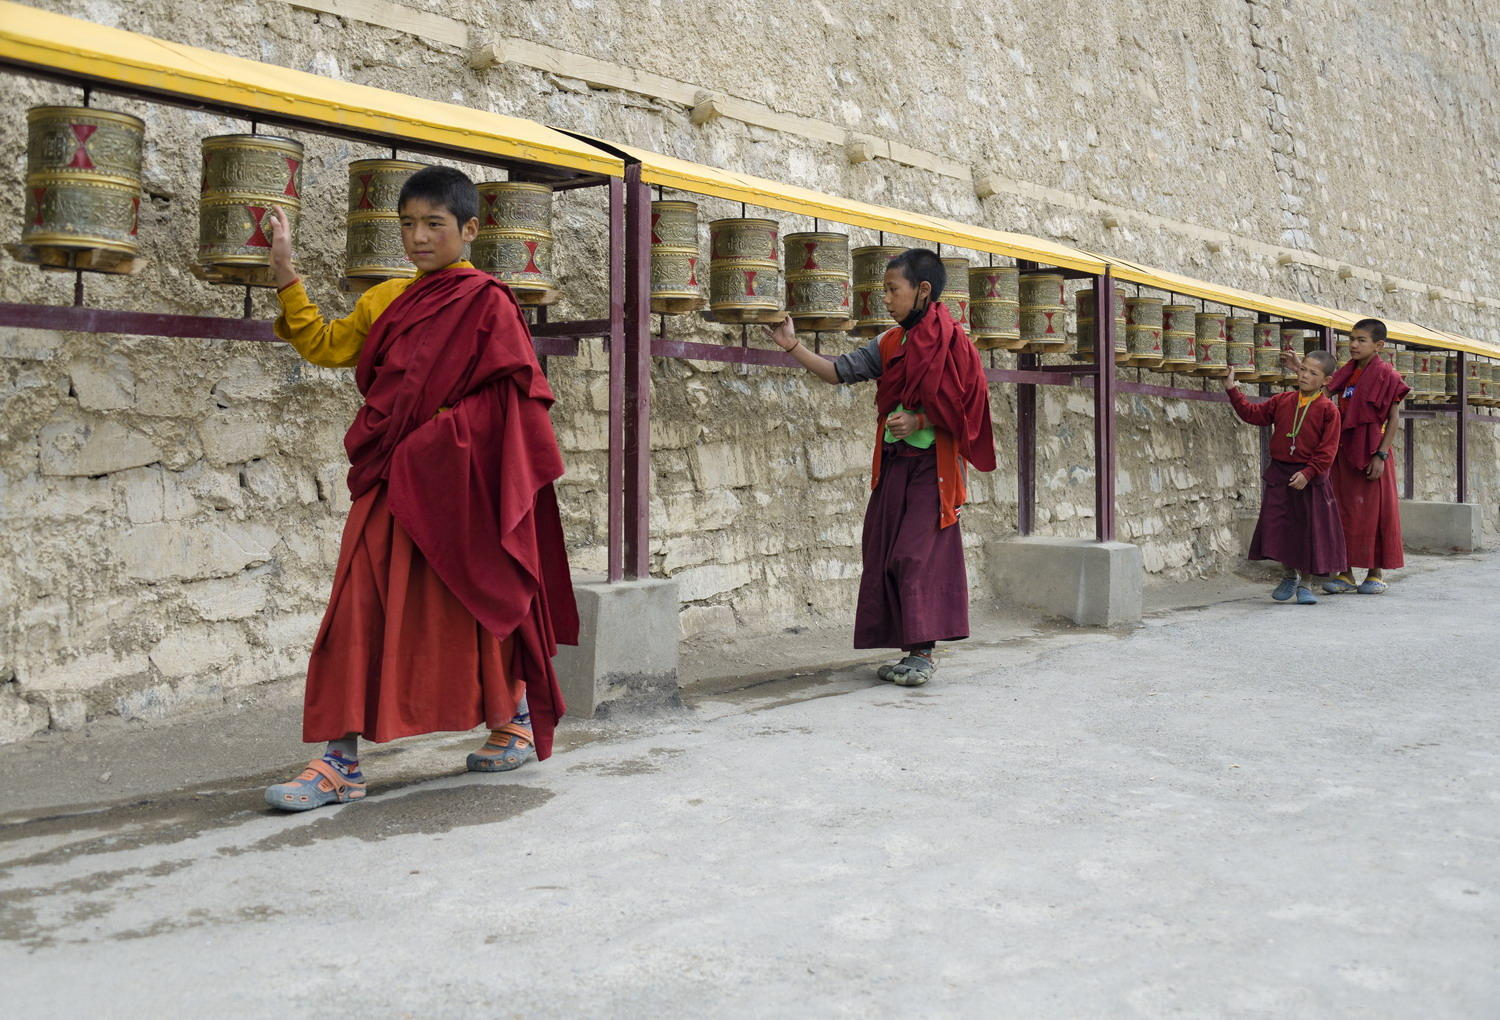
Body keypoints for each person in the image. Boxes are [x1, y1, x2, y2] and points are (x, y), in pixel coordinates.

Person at [260, 166, 578, 811]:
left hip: (457, 484)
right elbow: (324, 344)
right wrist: (287, 277)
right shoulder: (384, 301)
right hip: (392, 479)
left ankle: (514, 716)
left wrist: (439, 440)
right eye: (407, 225)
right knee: (357, 608)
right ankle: (339, 762)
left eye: (434, 224)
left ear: (469, 230)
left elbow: (513, 406)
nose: (418, 238)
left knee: (478, 598)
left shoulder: (487, 302)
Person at [769, 248, 996, 686]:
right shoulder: (889, 344)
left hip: (934, 468)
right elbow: (838, 372)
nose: (886, 300)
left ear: (923, 290)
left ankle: (924, 654)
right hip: (895, 465)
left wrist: (921, 420)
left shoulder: (956, 344)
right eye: (885, 291)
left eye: (893, 290)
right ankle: (910, 651)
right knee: (886, 553)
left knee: (915, 554)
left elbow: (971, 410)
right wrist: (792, 345)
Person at [1287, 319, 1409, 594]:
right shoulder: (1346, 373)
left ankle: (1375, 573)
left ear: (1379, 345)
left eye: (1361, 340)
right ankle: (1346, 573)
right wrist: (1300, 370)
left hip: (1373, 451)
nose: (1353, 345)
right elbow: (1321, 392)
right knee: (1344, 509)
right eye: (1352, 339)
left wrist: (1381, 454)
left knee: (1374, 510)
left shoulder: (1388, 375)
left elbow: (1393, 417)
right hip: (1344, 449)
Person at [1224, 350, 1345, 604]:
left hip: (1310, 477)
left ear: (1325, 381)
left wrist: (1309, 472)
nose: (1304, 375)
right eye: (1303, 370)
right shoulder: (1283, 400)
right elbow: (1252, 414)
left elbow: (1328, 450)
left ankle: (1307, 583)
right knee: (1280, 527)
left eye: (1313, 373)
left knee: (1308, 530)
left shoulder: (1328, 411)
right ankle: (1288, 575)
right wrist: (1232, 389)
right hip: (1281, 473)